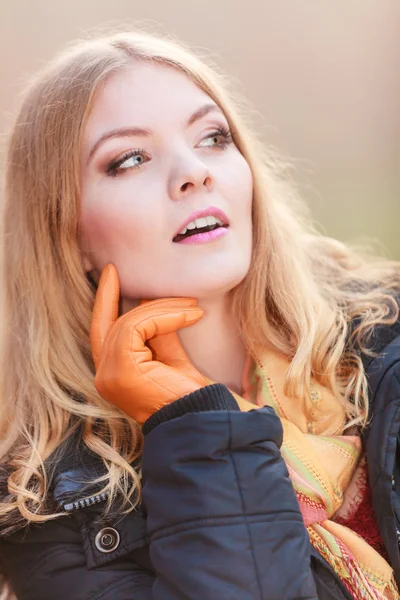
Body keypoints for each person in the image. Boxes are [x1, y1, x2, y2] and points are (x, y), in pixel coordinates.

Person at [0, 30, 399, 600]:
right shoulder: (54, 510)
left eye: (213, 137)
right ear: (69, 235)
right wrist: (198, 431)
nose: (194, 172)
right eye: (129, 159)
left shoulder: (385, 346)